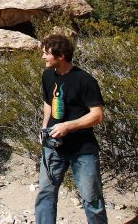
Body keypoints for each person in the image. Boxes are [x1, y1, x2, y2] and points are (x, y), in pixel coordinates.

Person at [35, 34, 107, 224]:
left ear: (60, 56)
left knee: (92, 198)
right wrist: (44, 128)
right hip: (53, 147)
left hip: (82, 149)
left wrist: (68, 125)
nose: (43, 57)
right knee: (45, 193)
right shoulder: (47, 75)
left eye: (46, 53)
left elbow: (97, 115)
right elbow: (47, 103)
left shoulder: (85, 80)